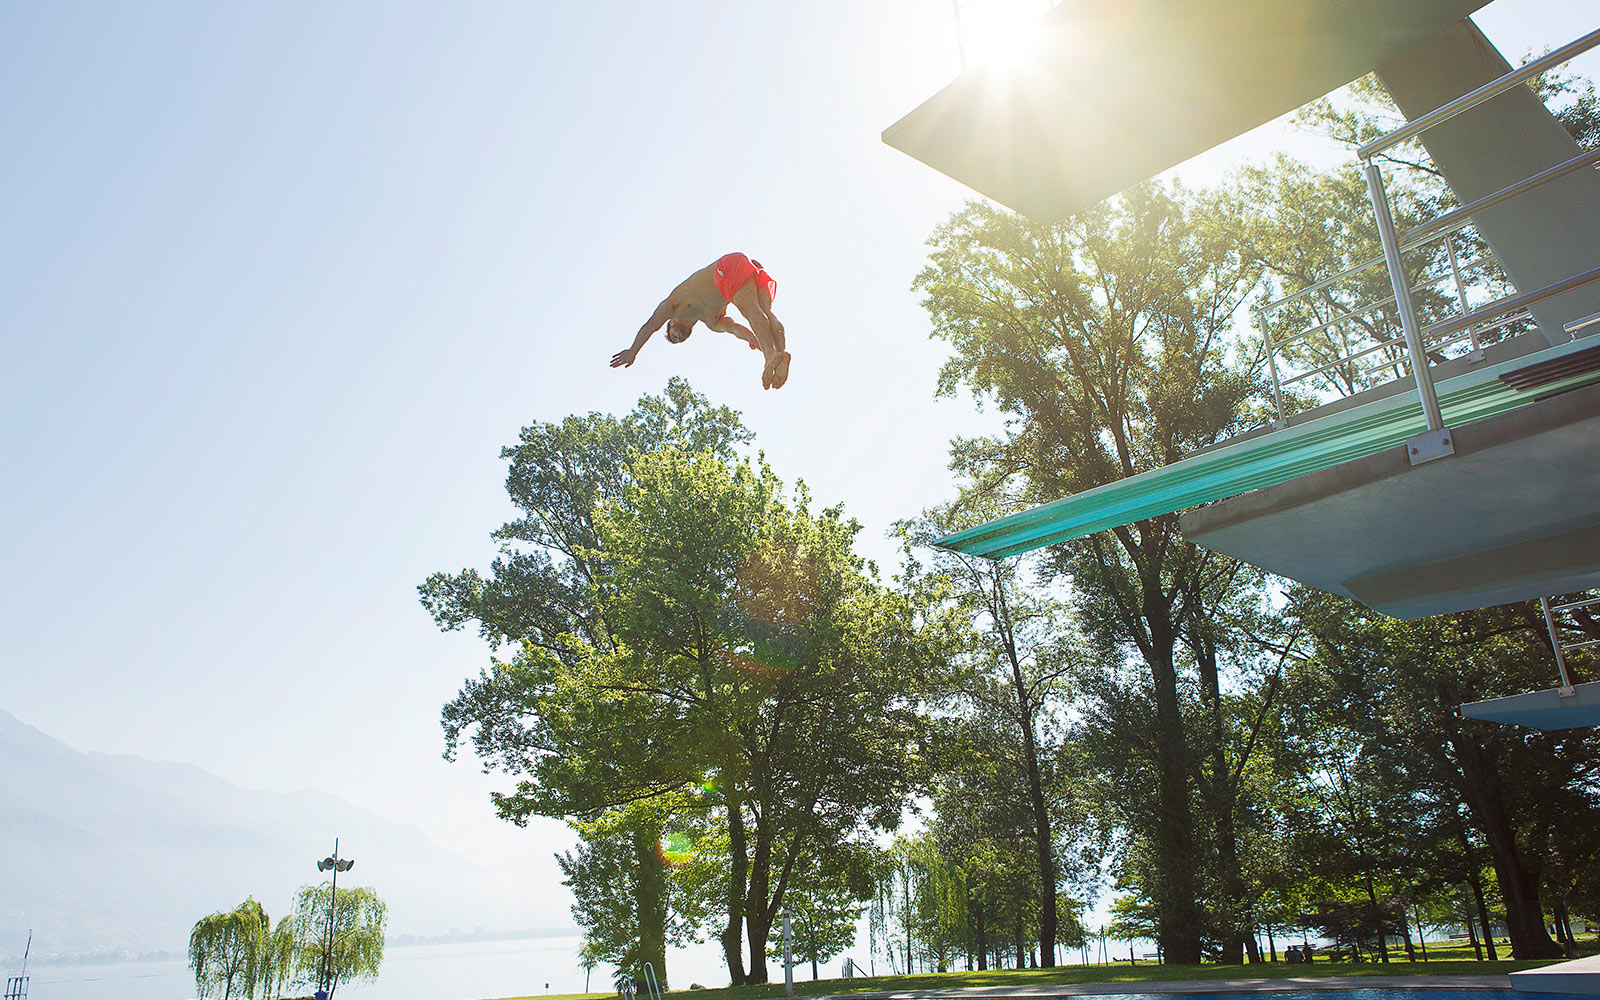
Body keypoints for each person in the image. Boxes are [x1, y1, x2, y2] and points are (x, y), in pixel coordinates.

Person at [610, 253, 791, 389]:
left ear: (671, 322)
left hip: (725, 269)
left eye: (674, 336)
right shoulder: (712, 322)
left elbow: (651, 325)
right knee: (766, 312)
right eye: (680, 340)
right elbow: (735, 329)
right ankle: (780, 354)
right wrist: (752, 338)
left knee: (750, 309)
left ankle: (770, 356)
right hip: (742, 268)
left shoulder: (674, 306)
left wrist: (633, 350)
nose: (679, 338)